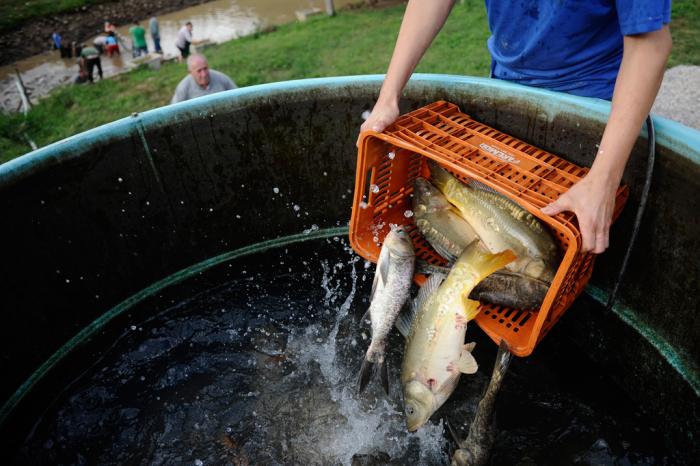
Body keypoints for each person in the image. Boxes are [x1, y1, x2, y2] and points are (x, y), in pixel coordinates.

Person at [360, 0, 672, 254]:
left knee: (583, 245)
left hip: (596, 110)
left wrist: (603, 179)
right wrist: (388, 97)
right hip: (508, 91)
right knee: (507, 237)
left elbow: (650, 45)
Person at [171, 54, 237, 103]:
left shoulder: (221, 78)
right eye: (199, 71)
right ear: (190, 72)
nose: (204, 74)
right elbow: (173, 111)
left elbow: (238, 96)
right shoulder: (183, 88)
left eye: (205, 68)